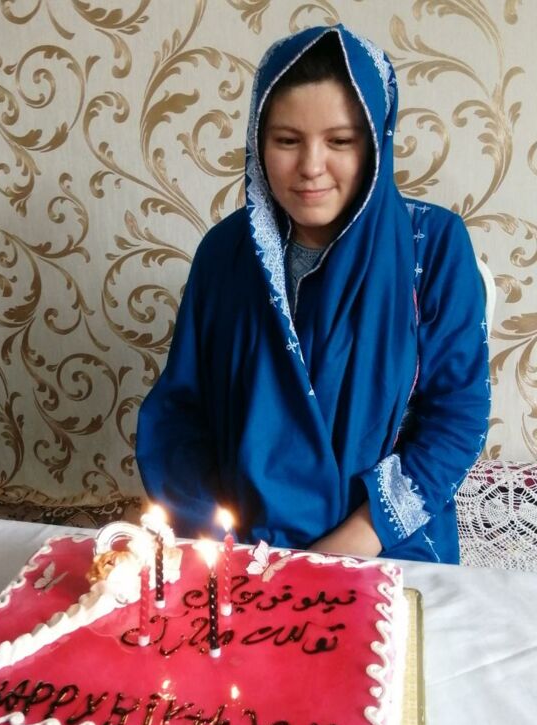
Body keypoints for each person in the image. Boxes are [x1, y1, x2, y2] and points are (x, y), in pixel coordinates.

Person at [136, 24, 490, 564]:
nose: (311, 167)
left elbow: (456, 417)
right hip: (243, 550)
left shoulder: (432, 247)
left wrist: (348, 546)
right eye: (287, 140)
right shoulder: (224, 254)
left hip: (384, 545)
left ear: (375, 143)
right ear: (259, 141)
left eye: (340, 141)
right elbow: (181, 416)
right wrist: (220, 543)